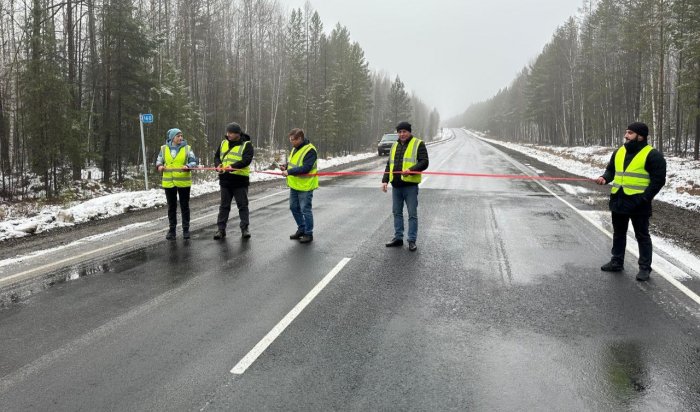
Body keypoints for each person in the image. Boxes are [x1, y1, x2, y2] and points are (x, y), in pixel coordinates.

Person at [595, 122, 666, 281]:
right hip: (619, 200)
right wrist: (604, 178)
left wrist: (645, 198)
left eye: (630, 133)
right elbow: (611, 170)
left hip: (639, 203)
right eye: (626, 132)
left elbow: (658, 181)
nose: (626, 136)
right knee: (619, 233)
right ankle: (617, 261)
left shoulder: (653, 155)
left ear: (641, 136)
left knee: (642, 236)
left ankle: (645, 268)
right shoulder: (619, 151)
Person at [382, 121, 429, 251]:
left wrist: (411, 170)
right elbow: (389, 165)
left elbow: (425, 162)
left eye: (404, 131)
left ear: (409, 132)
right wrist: (385, 180)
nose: (402, 134)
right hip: (396, 186)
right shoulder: (394, 146)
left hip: (410, 186)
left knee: (412, 214)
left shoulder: (418, 143)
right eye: (400, 132)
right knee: (397, 213)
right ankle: (398, 238)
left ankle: (412, 240)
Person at [214, 122, 254, 240]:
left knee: (242, 205)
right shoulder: (223, 143)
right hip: (225, 180)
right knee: (224, 206)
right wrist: (218, 165)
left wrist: (233, 166)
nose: (229, 135)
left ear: (238, 134)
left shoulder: (247, 144)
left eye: (231, 133)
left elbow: (247, 160)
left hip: (240, 181)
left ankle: (244, 229)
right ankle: (221, 230)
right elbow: (216, 156)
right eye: (228, 132)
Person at [156, 128, 197, 240]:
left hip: (183, 182)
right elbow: (159, 160)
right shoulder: (163, 149)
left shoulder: (187, 148)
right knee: (171, 207)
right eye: (178, 136)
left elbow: (193, 161)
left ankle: (186, 229)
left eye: (181, 135)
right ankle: (172, 230)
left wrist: (188, 166)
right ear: (172, 138)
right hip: (169, 183)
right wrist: (159, 166)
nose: (180, 138)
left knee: (184, 206)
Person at [280, 128, 318, 243]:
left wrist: (289, 172)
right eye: (290, 139)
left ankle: (308, 233)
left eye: (293, 140)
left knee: (305, 210)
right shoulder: (295, 148)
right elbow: (294, 163)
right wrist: (286, 166)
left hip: (305, 186)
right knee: (293, 207)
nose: (291, 142)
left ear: (300, 139)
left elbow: (306, 168)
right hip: (295, 185)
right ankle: (301, 229)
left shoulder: (310, 150)